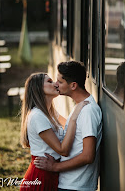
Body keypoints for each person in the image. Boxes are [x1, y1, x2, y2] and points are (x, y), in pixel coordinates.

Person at [34, 61, 103, 191]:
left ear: (73, 85)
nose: (56, 84)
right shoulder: (80, 106)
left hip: (76, 186)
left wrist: (54, 167)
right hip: (69, 183)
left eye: (60, 82)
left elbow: (88, 156)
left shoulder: (88, 110)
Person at [20, 72, 89, 190]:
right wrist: (73, 117)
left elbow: (71, 128)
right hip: (41, 176)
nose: (56, 84)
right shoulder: (37, 116)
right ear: (38, 89)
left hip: (51, 172)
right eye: (50, 81)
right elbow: (63, 150)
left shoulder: (50, 113)